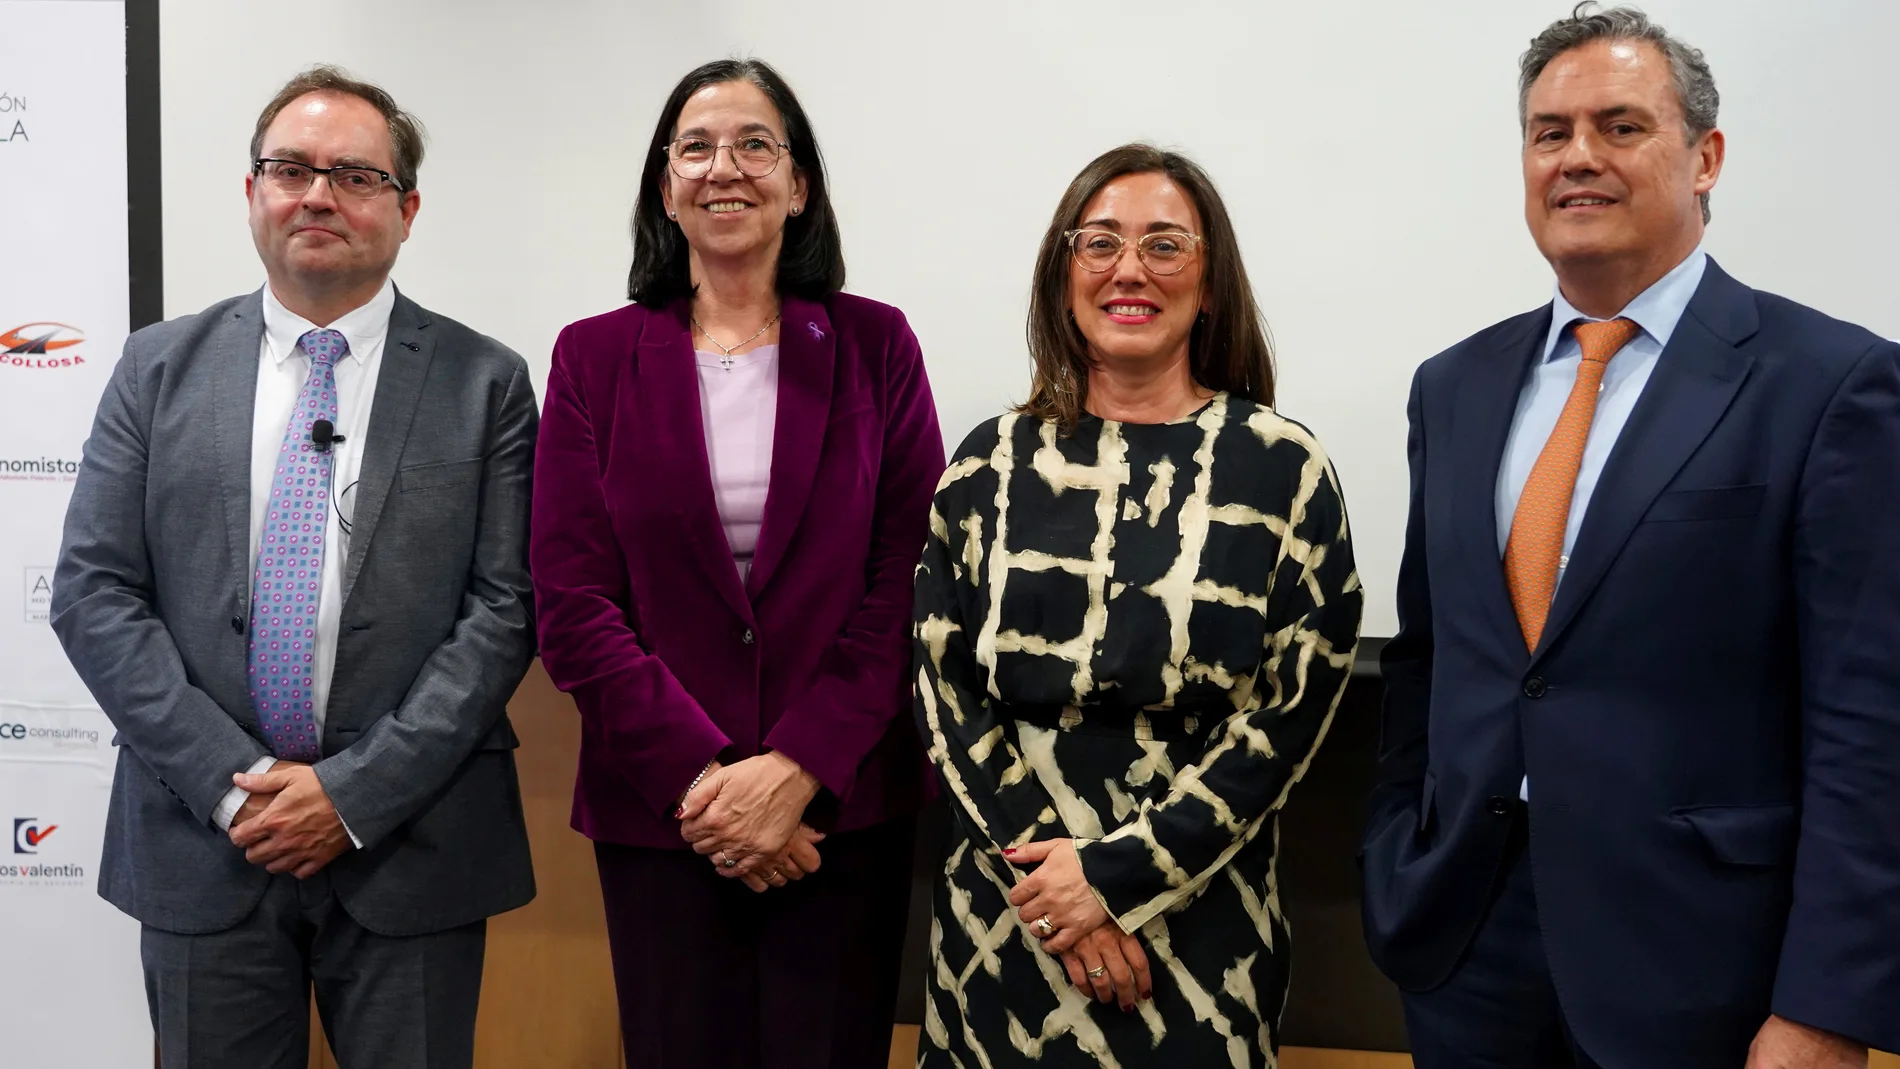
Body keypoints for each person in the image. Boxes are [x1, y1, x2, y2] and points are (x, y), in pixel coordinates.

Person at [1360, 5, 1900, 1067]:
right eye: (1548, 132)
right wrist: (1398, 854)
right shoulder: (1454, 386)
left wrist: (1827, 1004)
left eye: (1619, 126)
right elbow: (1430, 661)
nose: (1576, 159)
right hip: (1464, 946)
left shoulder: (1831, 384)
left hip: (1703, 968)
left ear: (1704, 157)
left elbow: (1867, 723)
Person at [50, 67, 537, 1069]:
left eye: (354, 175)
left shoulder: (485, 382)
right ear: (251, 193)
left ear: (406, 209)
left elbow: (504, 610)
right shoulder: (156, 369)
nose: (317, 194)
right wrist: (238, 787)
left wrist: (353, 794)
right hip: (203, 838)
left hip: (413, 843)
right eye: (290, 169)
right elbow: (94, 592)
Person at [529, 58, 944, 1069]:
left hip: (837, 817)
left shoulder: (876, 344)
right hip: (663, 817)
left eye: (757, 144)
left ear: (799, 185)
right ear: (664, 185)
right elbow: (573, 600)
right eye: (696, 147)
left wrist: (796, 772)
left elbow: (910, 582)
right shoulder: (591, 358)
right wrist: (709, 784)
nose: (727, 168)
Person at [913, 143, 1363, 1067]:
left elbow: (1290, 715)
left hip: (1201, 930)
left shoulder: (1285, 468)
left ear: (1211, 282)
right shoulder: (986, 464)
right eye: (1101, 242)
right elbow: (943, 689)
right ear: (1062, 272)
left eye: (1165, 245)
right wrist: (1062, 896)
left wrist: (1118, 879)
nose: (1129, 270)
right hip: (1008, 924)